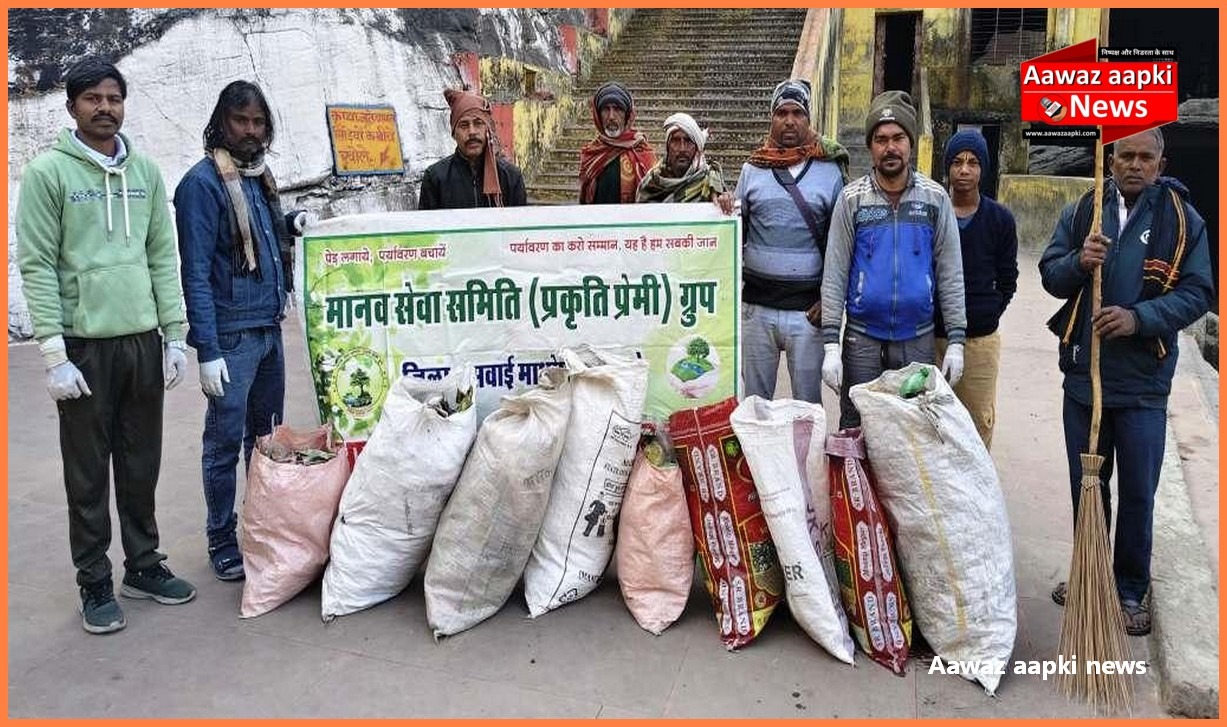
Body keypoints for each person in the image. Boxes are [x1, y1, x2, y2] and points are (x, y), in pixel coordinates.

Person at [16, 57, 196, 634]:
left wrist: (174, 336)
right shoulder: (49, 174)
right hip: (85, 348)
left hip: (141, 341)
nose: (105, 108)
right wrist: (53, 354)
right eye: (92, 98)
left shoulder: (144, 169)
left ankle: (143, 566)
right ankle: (94, 580)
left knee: (141, 464)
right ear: (71, 107)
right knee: (88, 473)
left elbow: (162, 257)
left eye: (114, 97)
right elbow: (38, 264)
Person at [1039, 128, 1212, 636]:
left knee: (1138, 490)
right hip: (1084, 378)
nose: (1134, 165)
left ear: (1161, 162)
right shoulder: (1084, 210)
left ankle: (1131, 588)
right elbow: (1050, 273)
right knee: (1087, 485)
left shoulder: (1182, 220)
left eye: (1145, 157)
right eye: (1124, 156)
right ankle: (1089, 573)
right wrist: (1079, 262)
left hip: (1142, 382)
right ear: (1109, 160)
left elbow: (1199, 292)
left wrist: (1139, 319)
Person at [174, 80, 306, 581]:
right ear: (220, 123)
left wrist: (292, 223)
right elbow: (197, 272)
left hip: (269, 331)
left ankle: (259, 527)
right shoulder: (202, 185)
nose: (251, 131)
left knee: (266, 440)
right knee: (224, 444)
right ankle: (220, 539)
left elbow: (263, 237)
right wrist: (206, 348)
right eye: (240, 121)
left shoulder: (256, 178)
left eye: (258, 122)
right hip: (231, 339)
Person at [820, 90, 967, 429]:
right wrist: (830, 343)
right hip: (861, 338)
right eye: (881, 139)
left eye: (898, 137)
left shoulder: (935, 198)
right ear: (871, 146)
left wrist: (956, 340)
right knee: (857, 425)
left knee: (914, 426)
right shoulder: (851, 199)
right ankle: (858, 485)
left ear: (911, 143)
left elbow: (950, 273)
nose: (890, 147)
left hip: (917, 336)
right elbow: (835, 272)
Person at [735, 79, 849, 404]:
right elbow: (736, 231)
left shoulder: (830, 171)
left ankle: (806, 459)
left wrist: (829, 302)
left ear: (808, 119)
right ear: (771, 118)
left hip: (807, 313)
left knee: (806, 410)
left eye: (797, 112)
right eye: (781, 112)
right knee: (755, 407)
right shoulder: (752, 168)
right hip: (757, 309)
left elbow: (841, 246)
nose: (789, 120)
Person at [934, 129, 1019, 449]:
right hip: (932, 335)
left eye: (972, 162)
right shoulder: (934, 213)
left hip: (980, 341)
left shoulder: (999, 219)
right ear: (948, 168)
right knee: (934, 419)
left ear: (983, 168)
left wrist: (986, 312)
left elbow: (1008, 278)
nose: (964, 170)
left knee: (978, 419)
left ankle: (978, 494)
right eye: (957, 162)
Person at [418, 88, 527, 209]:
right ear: (454, 133)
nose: (472, 132)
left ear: (487, 129)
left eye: (478, 123)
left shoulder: (511, 178)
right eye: (464, 125)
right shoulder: (435, 178)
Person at [578, 82, 655, 204]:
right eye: (605, 109)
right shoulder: (591, 153)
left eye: (618, 109)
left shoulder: (642, 151)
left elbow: (653, 197)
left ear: (627, 115)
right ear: (598, 115)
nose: (611, 116)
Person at [636, 112, 730, 205]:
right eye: (676, 141)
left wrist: (726, 201)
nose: (682, 149)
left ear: (697, 148)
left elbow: (724, 206)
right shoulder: (650, 183)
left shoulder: (710, 182)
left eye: (688, 141)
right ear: (668, 147)